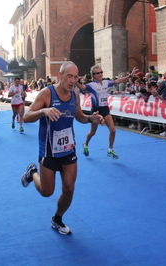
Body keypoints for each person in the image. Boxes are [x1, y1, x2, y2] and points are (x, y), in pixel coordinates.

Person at [20, 61, 104, 235]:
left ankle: (57, 218)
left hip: (68, 149)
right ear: (60, 76)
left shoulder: (75, 95)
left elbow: (79, 116)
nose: (73, 80)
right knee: (46, 192)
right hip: (49, 151)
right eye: (69, 76)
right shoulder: (47, 94)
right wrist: (43, 111)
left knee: (69, 188)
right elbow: (26, 117)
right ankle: (32, 173)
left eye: (76, 77)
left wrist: (90, 119)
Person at [76, 65, 137, 159]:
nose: (100, 74)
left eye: (101, 72)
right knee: (93, 132)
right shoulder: (91, 85)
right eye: (97, 73)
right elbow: (82, 87)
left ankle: (110, 150)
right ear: (94, 75)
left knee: (113, 130)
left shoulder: (106, 82)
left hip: (105, 109)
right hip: (96, 111)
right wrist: (75, 81)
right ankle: (85, 144)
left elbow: (118, 81)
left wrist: (129, 76)